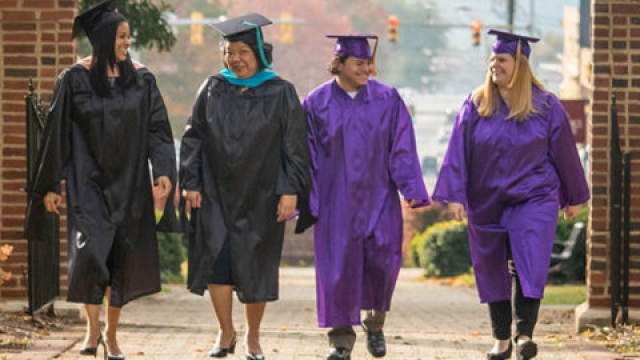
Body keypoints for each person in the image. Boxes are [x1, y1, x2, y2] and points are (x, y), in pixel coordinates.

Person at [24, 1, 177, 359]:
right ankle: (92, 330)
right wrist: (49, 185)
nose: (128, 42)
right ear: (106, 38)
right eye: (122, 36)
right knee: (92, 255)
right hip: (86, 184)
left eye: (128, 36)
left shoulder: (141, 79)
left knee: (120, 258)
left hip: (129, 183)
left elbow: (157, 129)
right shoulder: (74, 79)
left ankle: (111, 333)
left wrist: (164, 169)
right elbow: (57, 134)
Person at [432, 29, 590, 360]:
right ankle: (501, 340)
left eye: (501, 59)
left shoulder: (546, 106)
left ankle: (524, 335)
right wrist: (456, 196)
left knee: (528, 261)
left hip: (533, 197)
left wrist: (573, 197)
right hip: (485, 199)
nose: (494, 65)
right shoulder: (476, 105)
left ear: (520, 64)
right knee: (491, 267)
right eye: (492, 59)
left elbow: (565, 154)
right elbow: (458, 153)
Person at [179, 13, 310, 360]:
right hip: (215, 192)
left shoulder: (281, 91)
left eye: (242, 52)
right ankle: (225, 332)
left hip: (262, 194)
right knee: (217, 263)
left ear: (259, 54)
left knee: (254, 266)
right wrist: (190, 182)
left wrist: (289, 190)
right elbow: (193, 136)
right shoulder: (212, 87)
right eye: (228, 51)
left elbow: (294, 146)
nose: (234, 59)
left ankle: (253, 337)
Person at [301, 35, 430, 360]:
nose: (366, 68)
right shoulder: (316, 103)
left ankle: (375, 323)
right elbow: (307, 155)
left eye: (369, 63)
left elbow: (402, 147)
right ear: (339, 63)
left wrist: (411, 188)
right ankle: (341, 341)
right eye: (359, 63)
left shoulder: (388, 99)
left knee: (382, 264)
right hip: (335, 203)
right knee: (338, 271)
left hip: (379, 199)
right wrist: (306, 199)